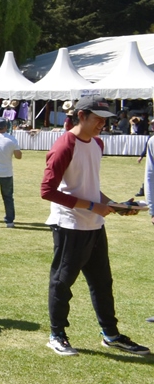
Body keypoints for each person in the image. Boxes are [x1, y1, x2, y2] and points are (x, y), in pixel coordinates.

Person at [41, 96, 149, 356]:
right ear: (81, 116)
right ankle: (57, 335)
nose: (103, 123)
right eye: (98, 118)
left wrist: (114, 205)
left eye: (106, 119)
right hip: (70, 225)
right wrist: (91, 207)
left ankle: (110, 334)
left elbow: (88, 187)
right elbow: (47, 190)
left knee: (102, 282)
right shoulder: (65, 144)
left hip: (94, 225)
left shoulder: (97, 143)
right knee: (62, 282)